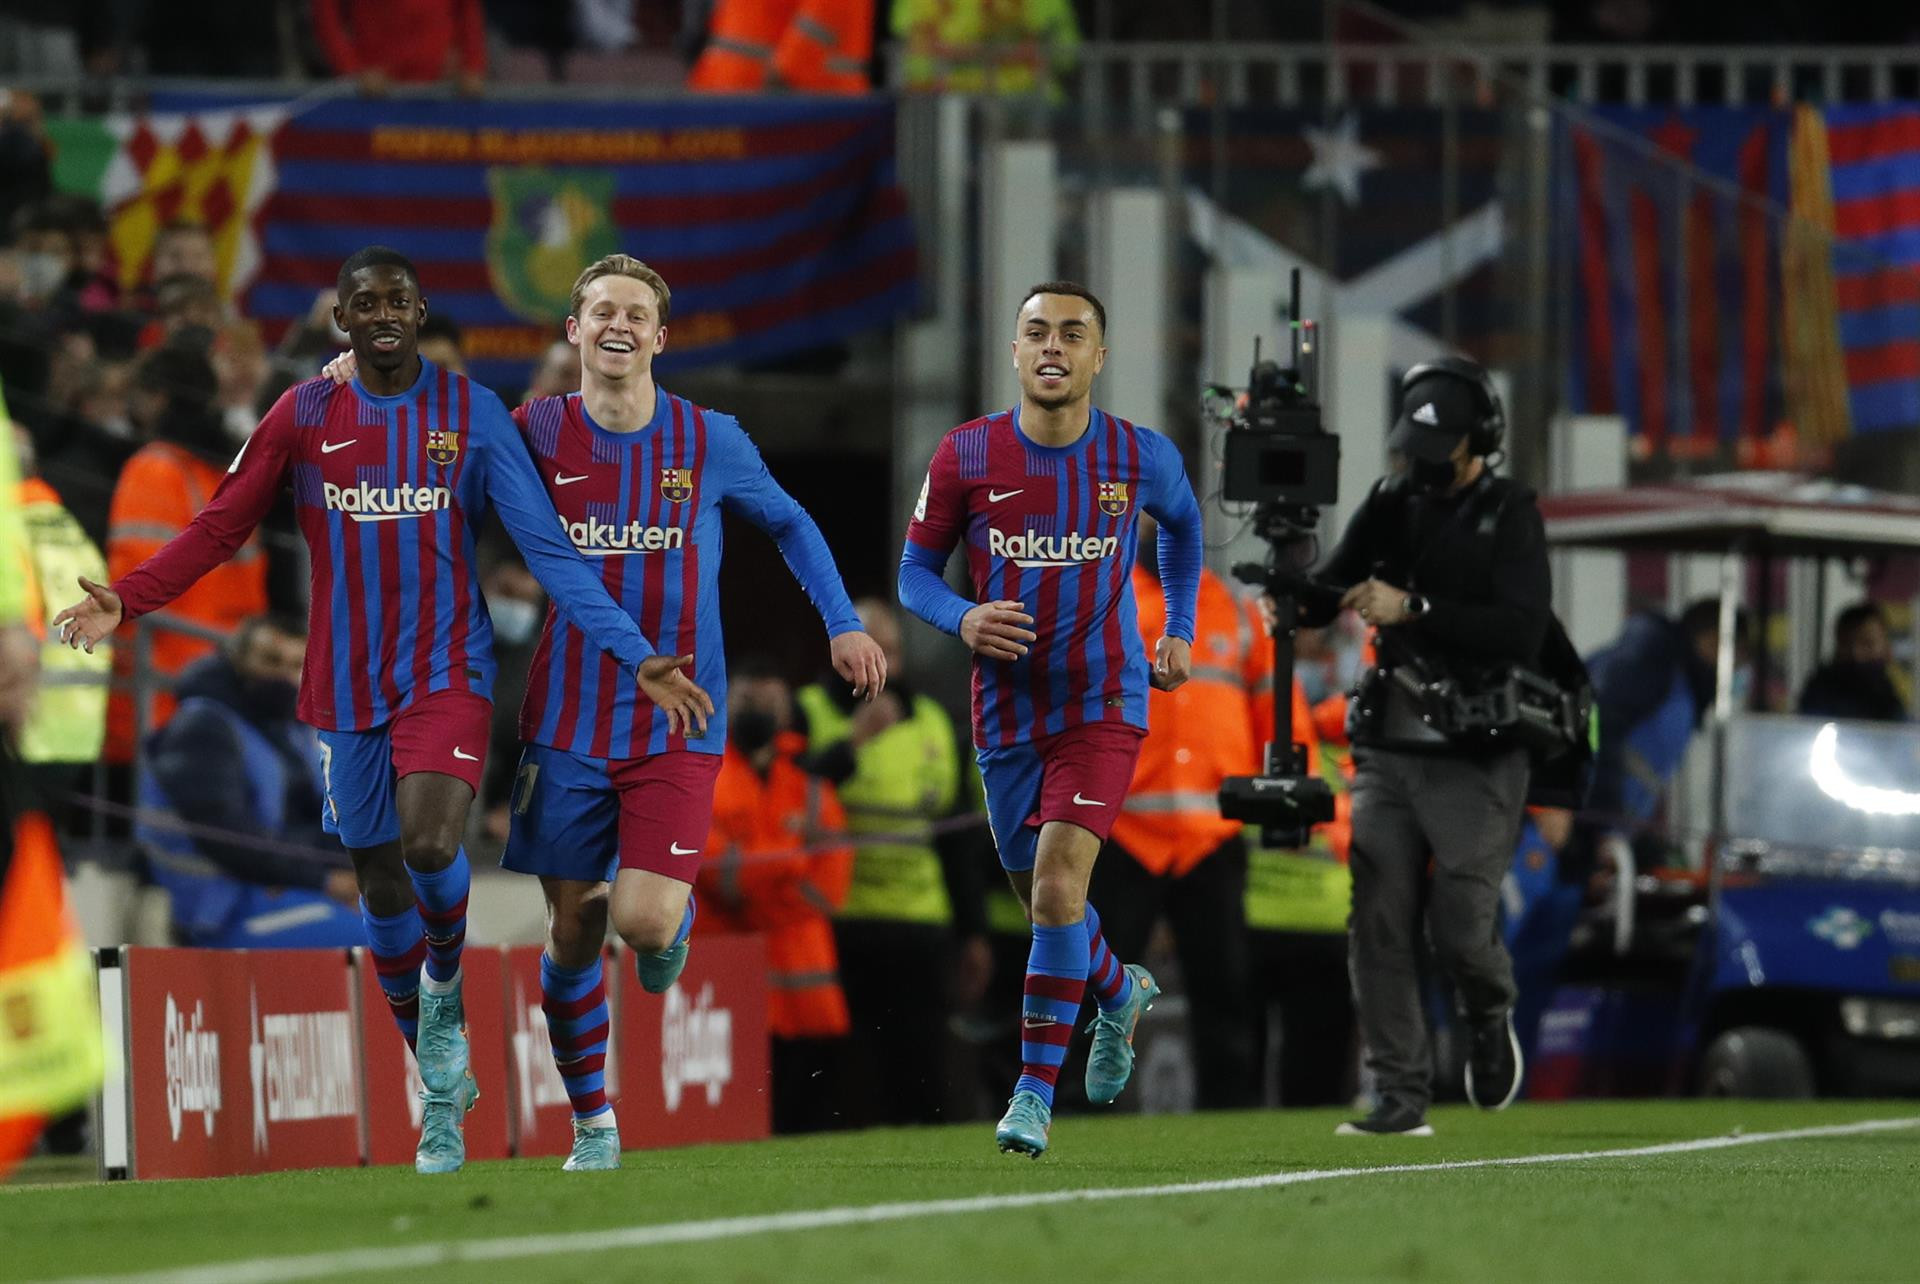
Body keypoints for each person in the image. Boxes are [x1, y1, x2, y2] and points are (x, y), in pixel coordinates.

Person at [54, 245, 693, 1176]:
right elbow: (222, 522)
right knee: (382, 883)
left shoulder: (470, 417)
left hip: (445, 674)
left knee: (430, 846)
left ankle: (443, 983)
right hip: (344, 690)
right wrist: (128, 598)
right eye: (366, 302)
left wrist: (634, 655)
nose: (385, 313)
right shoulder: (306, 411)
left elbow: (550, 553)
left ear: (421, 310)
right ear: (341, 322)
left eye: (400, 299)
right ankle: (439, 1086)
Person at [324, 252, 883, 1168]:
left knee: (644, 921)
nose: (618, 325)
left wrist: (842, 622)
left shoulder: (710, 439)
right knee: (573, 928)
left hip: (676, 721)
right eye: (601, 312)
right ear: (573, 333)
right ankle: (594, 1122)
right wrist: (351, 382)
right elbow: (426, 442)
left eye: (637, 313)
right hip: (568, 725)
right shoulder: (534, 430)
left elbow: (789, 521)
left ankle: (673, 927)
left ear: (660, 338)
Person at [899, 281, 1204, 1157]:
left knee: (1061, 889)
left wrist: (1177, 628)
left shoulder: (1139, 456)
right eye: (1036, 332)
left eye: (1073, 334)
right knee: (1045, 906)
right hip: (1005, 714)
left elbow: (1183, 529)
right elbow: (914, 573)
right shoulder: (965, 456)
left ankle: (1034, 1097)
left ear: (1098, 357)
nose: (1053, 348)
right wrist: (961, 616)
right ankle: (1118, 990)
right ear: (1015, 350)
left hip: (1103, 702)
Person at [1300, 356, 1550, 1137]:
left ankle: (1487, 1007)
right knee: (1377, 916)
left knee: (1460, 929)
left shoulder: (1511, 512)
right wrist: (1291, 584)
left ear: (1481, 444)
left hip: (1478, 749)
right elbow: (1334, 584)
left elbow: (1520, 629)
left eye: (1438, 455)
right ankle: (1399, 1095)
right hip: (1390, 744)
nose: (1422, 469)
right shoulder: (1390, 500)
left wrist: (1415, 607)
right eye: (1413, 451)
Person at [1088, 522, 1274, 1109]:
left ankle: (1233, 1115)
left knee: (1225, 989)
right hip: (1124, 832)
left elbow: (1275, 712)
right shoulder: (1107, 603)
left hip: (1210, 836)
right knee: (1100, 989)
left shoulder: (1240, 615)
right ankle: (1074, 1107)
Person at [797, 596, 991, 1128]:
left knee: (922, 1072)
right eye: (872, 649)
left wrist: (972, 932)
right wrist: (856, 740)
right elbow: (790, 798)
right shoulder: (808, 711)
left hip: (918, 926)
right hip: (838, 921)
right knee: (834, 1075)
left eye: (893, 651)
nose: (885, 663)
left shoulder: (932, 722)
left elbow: (955, 838)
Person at [137, 613, 363, 948]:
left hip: (280, 890)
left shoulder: (291, 731)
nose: (284, 676)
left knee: (438, 928)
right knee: (394, 944)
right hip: (216, 909)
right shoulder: (203, 727)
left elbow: (316, 823)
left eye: (296, 665)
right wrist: (327, 880)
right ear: (238, 660)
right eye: (271, 661)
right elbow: (230, 838)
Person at [698, 658, 856, 1134]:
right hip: (727, 981)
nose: (757, 710)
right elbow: (714, 873)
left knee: (804, 1120)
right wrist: (791, 859)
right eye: (747, 700)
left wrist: (759, 888)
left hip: (805, 989)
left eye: (768, 702)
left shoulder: (809, 787)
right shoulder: (704, 775)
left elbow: (832, 884)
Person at [105, 344, 269, 764]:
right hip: (222, 692)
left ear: (158, 397)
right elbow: (251, 595)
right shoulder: (225, 475)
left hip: (158, 698)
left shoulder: (152, 469)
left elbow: (129, 592)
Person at [311, 0, 486, 96]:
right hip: (376, 90)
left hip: (441, 86)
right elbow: (326, 14)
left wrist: (472, 64)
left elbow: (468, 10)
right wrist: (351, 70)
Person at [1797, 602, 1907, 723]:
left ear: (1886, 646)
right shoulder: (1820, 691)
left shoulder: (1890, 693)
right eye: (1847, 644)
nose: (1856, 654)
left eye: (1867, 644)